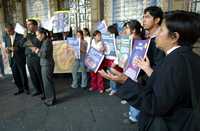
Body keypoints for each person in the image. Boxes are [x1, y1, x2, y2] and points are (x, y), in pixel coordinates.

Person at [99, 10, 200, 131]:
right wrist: (148, 69)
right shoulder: (190, 58)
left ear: (174, 37)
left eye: (161, 30)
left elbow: (155, 104)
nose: (156, 34)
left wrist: (125, 81)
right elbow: (168, 88)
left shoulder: (173, 63)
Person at [31, 27, 56, 106]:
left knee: (47, 83)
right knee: (47, 82)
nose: (37, 37)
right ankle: (50, 98)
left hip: (47, 64)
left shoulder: (47, 42)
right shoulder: (45, 41)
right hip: (45, 64)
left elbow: (44, 55)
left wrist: (36, 50)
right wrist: (38, 50)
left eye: (38, 35)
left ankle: (50, 100)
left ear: (43, 34)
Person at [3, 23, 29, 95]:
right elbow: (6, 47)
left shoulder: (20, 36)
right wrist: (7, 50)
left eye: (9, 31)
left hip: (20, 58)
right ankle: (20, 88)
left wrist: (17, 49)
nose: (8, 33)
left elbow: (25, 47)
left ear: (13, 29)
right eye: (6, 31)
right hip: (11, 58)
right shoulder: (6, 37)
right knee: (15, 75)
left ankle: (26, 88)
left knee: (22, 74)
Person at [24, 19, 44, 98]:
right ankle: (37, 89)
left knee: (39, 74)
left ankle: (44, 90)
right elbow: (22, 43)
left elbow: (35, 44)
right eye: (27, 24)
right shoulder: (28, 35)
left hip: (36, 57)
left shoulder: (38, 34)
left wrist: (26, 39)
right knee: (32, 75)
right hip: (28, 58)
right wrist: (25, 38)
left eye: (30, 24)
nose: (28, 26)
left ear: (35, 25)